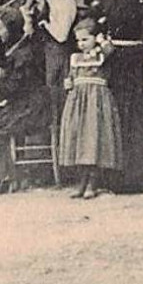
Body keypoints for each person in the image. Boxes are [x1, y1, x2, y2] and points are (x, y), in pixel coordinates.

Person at [0, 7, 54, 188]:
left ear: (12, 29)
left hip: (32, 109)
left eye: (1, 28)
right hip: (23, 104)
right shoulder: (16, 48)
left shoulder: (24, 55)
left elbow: (11, 88)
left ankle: (0, 180)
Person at [100, 0, 143, 190]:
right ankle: (136, 175)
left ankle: (115, 174)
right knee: (137, 115)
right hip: (133, 59)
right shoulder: (139, 1)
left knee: (119, 113)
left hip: (116, 60)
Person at [58, 18, 123, 199]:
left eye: (85, 39)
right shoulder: (75, 58)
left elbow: (110, 50)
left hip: (96, 101)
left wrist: (102, 41)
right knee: (79, 140)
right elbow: (71, 75)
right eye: (78, 40)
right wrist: (69, 82)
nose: (81, 44)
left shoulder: (101, 53)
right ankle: (81, 182)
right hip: (78, 102)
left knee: (93, 140)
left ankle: (93, 184)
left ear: (95, 38)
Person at [26, 0, 77, 118]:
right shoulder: (43, 1)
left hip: (59, 55)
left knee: (59, 97)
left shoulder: (66, 1)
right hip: (43, 55)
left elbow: (61, 35)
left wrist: (44, 15)